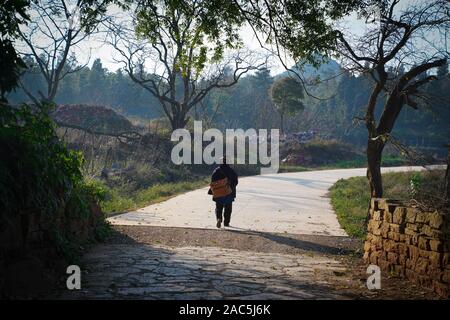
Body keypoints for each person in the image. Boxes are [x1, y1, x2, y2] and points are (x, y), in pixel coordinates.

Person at [208, 156, 238, 228]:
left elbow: (212, 181)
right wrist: (231, 188)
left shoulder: (216, 171)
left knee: (219, 207)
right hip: (229, 193)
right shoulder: (232, 171)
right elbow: (236, 181)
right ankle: (226, 223)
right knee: (228, 208)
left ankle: (219, 218)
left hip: (218, 193)